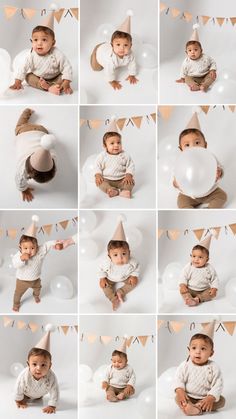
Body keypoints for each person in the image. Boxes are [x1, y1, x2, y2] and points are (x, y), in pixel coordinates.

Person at [173, 112, 227, 208]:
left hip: (209, 192)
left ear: (205, 145)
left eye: (197, 142)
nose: (193, 147)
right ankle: (189, 210)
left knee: (222, 196)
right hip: (188, 194)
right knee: (181, 202)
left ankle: (209, 210)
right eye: (187, 145)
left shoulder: (210, 157)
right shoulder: (181, 161)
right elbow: (175, 174)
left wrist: (219, 172)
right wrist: (175, 182)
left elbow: (219, 167)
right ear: (181, 149)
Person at [10, 13, 73, 95]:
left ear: (53, 43)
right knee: (28, 77)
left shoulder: (57, 53)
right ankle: (49, 87)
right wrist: (17, 82)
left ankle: (60, 86)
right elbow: (23, 67)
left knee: (63, 77)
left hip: (55, 77)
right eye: (35, 40)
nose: (39, 43)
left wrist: (66, 81)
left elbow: (66, 66)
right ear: (31, 41)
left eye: (44, 40)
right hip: (39, 78)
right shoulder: (31, 55)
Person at [12, 216, 62, 311]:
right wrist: (22, 258)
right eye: (25, 248)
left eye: (32, 248)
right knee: (18, 293)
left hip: (35, 279)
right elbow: (15, 264)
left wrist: (56, 243)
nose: (29, 251)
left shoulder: (40, 251)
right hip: (22, 280)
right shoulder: (19, 255)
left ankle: (36, 296)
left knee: (38, 288)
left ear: (37, 246)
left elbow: (48, 244)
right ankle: (16, 303)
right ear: (20, 247)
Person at [174, 321, 225, 415]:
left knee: (221, 401)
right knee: (177, 397)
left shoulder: (214, 367)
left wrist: (211, 397)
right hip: (188, 396)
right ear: (189, 350)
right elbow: (178, 379)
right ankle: (189, 405)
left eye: (203, 349)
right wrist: (180, 391)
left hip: (205, 398)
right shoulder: (185, 365)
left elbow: (218, 384)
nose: (197, 352)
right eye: (194, 348)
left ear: (211, 353)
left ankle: (197, 407)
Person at [14, 108, 57, 202]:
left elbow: (20, 182)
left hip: (42, 132)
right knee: (18, 127)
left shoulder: (52, 155)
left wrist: (23, 189)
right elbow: (19, 182)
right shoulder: (22, 171)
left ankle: (27, 111)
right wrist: (24, 190)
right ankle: (27, 111)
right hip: (26, 131)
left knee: (21, 125)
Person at [90, 12, 138, 90]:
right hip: (100, 51)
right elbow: (108, 72)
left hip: (106, 46)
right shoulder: (110, 59)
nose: (122, 48)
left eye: (125, 45)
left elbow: (133, 64)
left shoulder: (130, 54)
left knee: (115, 65)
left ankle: (105, 44)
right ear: (112, 45)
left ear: (131, 46)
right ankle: (95, 50)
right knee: (96, 68)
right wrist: (112, 81)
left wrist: (132, 74)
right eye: (118, 45)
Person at [98, 220, 140, 311]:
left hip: (125, 277)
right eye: (115, 255)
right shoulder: (106, 262)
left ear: (129, 253)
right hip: (110, 278)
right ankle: (113, 299)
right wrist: (102, 278)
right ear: (109, 256)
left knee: (134, 283)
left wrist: (134, 276)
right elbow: (101, 269)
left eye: (124, 254)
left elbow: (137, 267)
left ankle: (121, 292)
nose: (120, 258)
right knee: (104, 287)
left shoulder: (132, 261)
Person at [14, 331, 59, 413]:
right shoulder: (24, 375)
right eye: (34, 364)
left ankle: (37, 397)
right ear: (28, 364)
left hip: (40, 394)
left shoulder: (51, 376)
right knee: (23, 394)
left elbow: (54, 390)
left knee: (39, 395)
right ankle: (26, 397)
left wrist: (52, 405)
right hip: (26, 393)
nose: (38, 368)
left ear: (50, 366)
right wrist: (19, 399)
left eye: (43, 365)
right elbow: (18, 386)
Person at [94, 119, 135, 199]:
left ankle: (125, 191)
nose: (116, 145)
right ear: (105, 146)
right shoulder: (102, 156)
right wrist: (98, 175)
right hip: (106, 179)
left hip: (122, 179)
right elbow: (97, 166)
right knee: (100, 183)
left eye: (119, 142)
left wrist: (129, 175)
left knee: (130, 182)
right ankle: (111, 190)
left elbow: (131, 165)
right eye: (112, 143)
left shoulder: (124, 155)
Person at [179, 235, 219, 307]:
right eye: (194, 256)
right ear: (191, 256)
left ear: (207, 259)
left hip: (204, 290)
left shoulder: (209, 268)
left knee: (212, 294)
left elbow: (215, 278)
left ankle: (197, 299)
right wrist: (183, 285)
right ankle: (189, 299)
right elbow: (183, 276)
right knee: (182, 290)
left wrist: (214, 288)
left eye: (200, 257)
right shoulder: (189, 266)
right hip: (190, 290)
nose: (196, 259)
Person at [176, 24, 216, 92]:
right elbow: (183, 70)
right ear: (186, 52)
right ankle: (195, 86)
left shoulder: (205, 57)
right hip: (193, 77)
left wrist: (212, 70)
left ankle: (205, 85)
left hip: (205, 75)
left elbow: (212, 62)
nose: (193, 52)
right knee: (187, 78)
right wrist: (182, 78)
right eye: (190, 50)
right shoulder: (186, 61)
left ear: (201, 51)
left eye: (196, 49)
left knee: (212, 76)